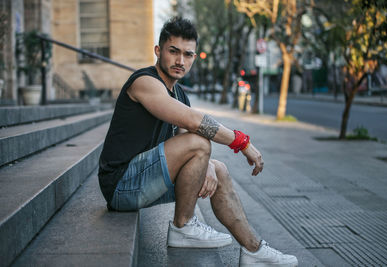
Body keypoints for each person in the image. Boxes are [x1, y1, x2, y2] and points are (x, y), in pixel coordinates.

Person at [98, 17, 298, 267]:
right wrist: (241, 142)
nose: (180, 61)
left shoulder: (179, 93)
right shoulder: (145, 82)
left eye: (188, 54)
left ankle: (253, 251)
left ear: (194, 57)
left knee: (220, 169)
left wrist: (209, 166)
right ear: (158, 51)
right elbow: (194, 124)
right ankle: (183, 226)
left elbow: (185, 142)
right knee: (200, 142)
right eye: (173, 52)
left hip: (143, 178)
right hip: (120, 185)